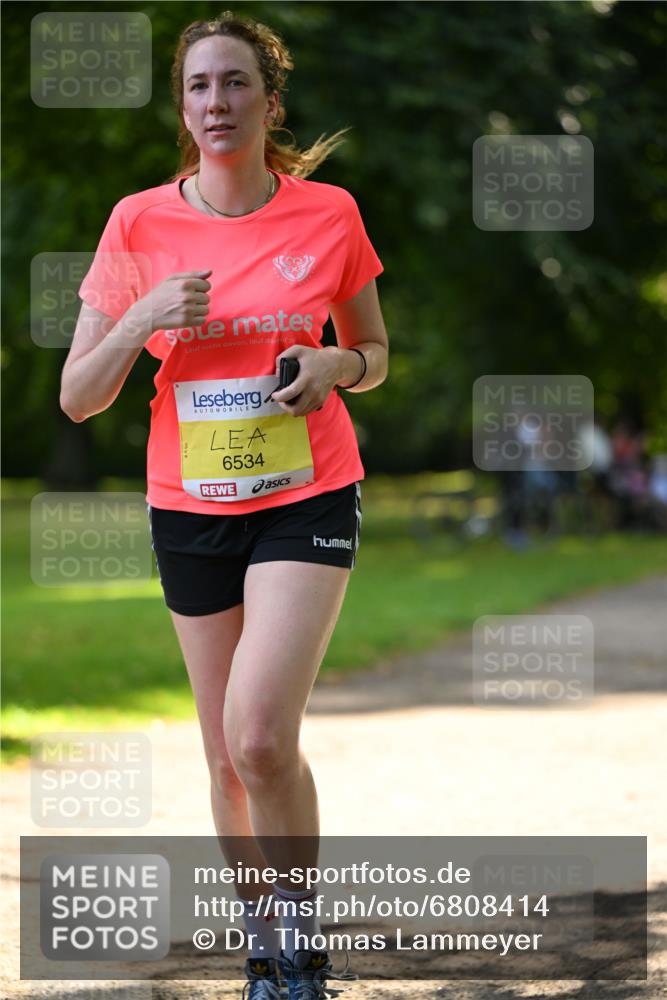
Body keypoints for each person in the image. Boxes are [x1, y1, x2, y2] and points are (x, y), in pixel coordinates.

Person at [59, 10, 388, 999]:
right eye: (199, 85)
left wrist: (335, 362)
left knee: (257, 734)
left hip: (306, 491)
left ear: (268, 100)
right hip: (189, 502)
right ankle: (262, 944)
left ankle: (300, 942)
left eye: (235, 82)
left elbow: (374, 357)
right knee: (222, 752)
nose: (217, 102)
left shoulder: (329, 213)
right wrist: (145, 317)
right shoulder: (138, 223)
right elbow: (79, 394)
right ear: (182, 106)